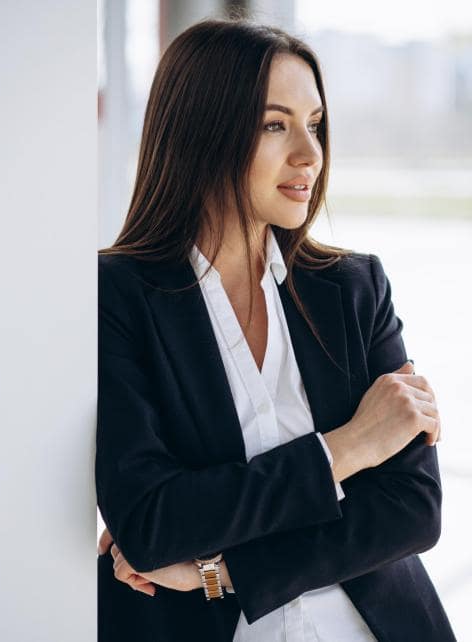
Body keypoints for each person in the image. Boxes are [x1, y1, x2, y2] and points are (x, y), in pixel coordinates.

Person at [96, 17, 456, 642]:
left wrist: (224, 568)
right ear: (203, 131)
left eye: (314, 124)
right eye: (275, 124)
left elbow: (411, 511)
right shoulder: (118, 296)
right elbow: (152, 524)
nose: (309, 154)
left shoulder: (352, 288)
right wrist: (348, 449)